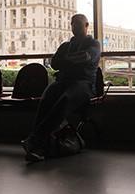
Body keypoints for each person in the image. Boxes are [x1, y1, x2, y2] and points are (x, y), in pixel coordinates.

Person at [21, 14, 100, 162]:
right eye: (73, 23)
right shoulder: (66, 45)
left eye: (78, 23)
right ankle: (39, 143)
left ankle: (36, 140)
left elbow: (85, 57)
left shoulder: (94, 44)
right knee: (46, 98)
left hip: (84, 84)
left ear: (86, 26)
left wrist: (66, 60)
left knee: (65, 99)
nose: (74, 26)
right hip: (64, 82)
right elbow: (54, 63)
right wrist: (73, 60)